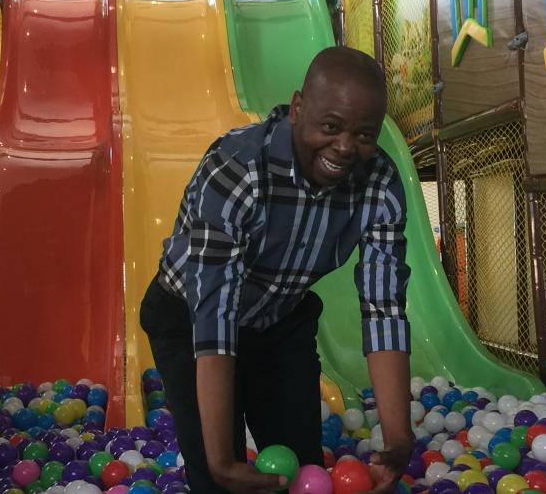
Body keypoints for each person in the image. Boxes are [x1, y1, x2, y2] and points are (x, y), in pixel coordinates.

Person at [139, 46, 413, 494]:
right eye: (330, 127)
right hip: (189, 318)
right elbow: (214, 320)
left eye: (365, 134)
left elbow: (384, 309)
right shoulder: (238, 169)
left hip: (280, 318)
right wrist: (222, 462)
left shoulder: (379, 183)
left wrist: (399, 440)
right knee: (218, 478)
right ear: (298, 108)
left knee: (301, 474)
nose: (345, 147)